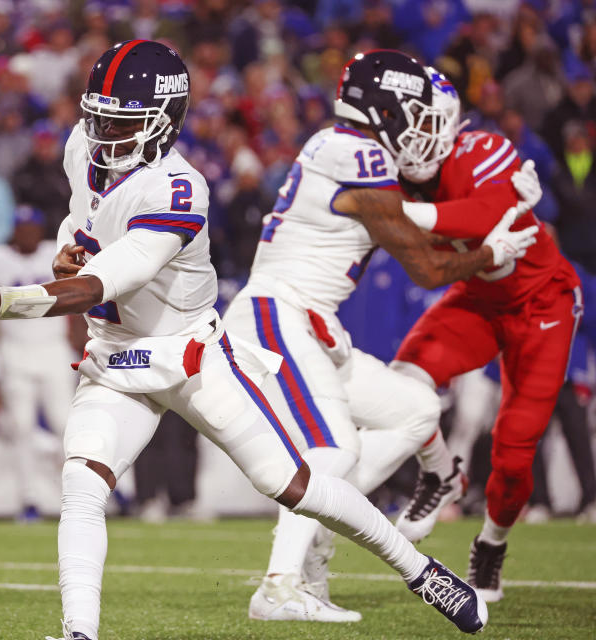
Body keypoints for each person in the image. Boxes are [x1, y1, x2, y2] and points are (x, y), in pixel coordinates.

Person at [0, 40, 493, 639]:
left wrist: (10, 301)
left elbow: (114, 275)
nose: (102, 131)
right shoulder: (84, 147)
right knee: (80, 486)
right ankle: (80, 633)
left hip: (191, 358)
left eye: (121, 121)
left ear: (164, 123)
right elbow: (84, 214)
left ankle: (422, 571)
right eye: (98, 115)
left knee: (295, 485)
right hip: (113, 357)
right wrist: (67, 244)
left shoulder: (180, 188)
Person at [221, 50, 539, 623]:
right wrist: (494, 248)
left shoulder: (348, 149)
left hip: (311, 322)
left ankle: (317, 533)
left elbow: (412, 227)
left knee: (415, 409)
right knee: (333, 447)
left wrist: (490, 216)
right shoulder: (358, 153)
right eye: (414, 113)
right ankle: (279, 586)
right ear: (386, 111)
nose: (422, 129)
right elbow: (428, 267)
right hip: (279, 312)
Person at [388, 67, 582, 604]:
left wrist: (401, 215)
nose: (411, 136)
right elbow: (423, 261)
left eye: (422, 122)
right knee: (404, 379)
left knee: (515, 451)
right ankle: (442, 472)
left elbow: (490, 208)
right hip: (476, 297)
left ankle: (491, 542)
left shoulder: (481, 146)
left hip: (540, 302)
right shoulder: (387, 175)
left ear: (448, 122)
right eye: (403, 123)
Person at [0, 205, 78, 520]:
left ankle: (79, 496)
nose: (28, 234)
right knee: (20, 426)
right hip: (14, 351)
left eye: (33, 228)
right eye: (22, 228)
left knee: (66, 424)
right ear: (13, 231)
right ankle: (29, 497)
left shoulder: (55, 253)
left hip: (53, 350)